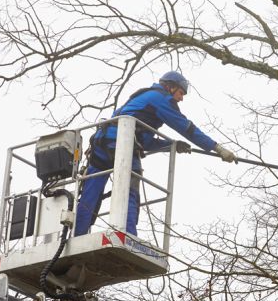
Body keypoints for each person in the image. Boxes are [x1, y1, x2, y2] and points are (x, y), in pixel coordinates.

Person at [74, 70, 236, 236]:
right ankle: (128, 236)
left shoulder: (145, 99)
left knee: (90, 194)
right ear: (170, 87)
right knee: (130, 191)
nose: (181, 98)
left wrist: (171, 145)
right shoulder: (161, 99)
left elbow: (145, 141)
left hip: (103, 143)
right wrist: (217, 148)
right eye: (181, 93)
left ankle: (77, 235)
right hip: (120, 144)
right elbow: (187, 128)